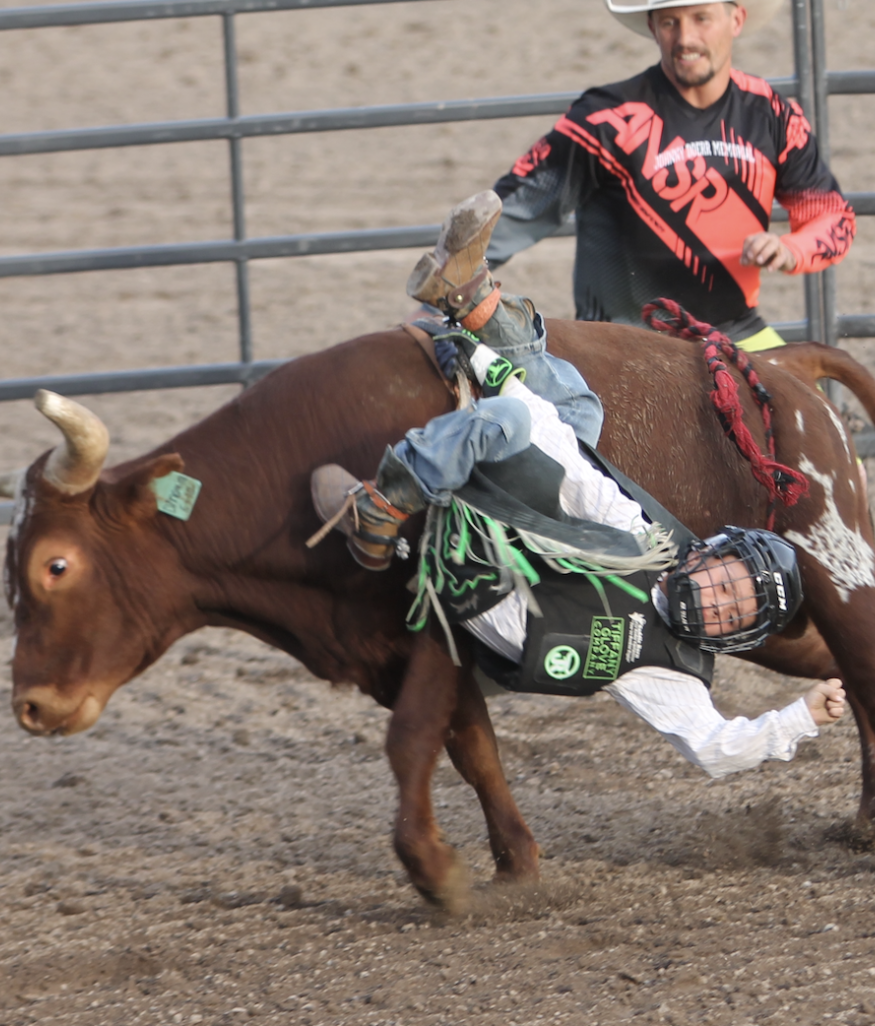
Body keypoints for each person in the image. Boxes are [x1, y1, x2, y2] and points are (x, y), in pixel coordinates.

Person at [310, 192, 846, 779]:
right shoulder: (649, 541)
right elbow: (578, 474)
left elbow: (716, 748)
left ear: (733, 637)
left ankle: (381, 510)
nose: (716, 601)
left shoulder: (671, 672)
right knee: (576, 413)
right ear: (713, 554)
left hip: (480, 577)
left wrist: (801, 717)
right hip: (536, 542)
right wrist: (504, 376)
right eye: (727, 584)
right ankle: (471, 300)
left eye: (731, 612)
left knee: (514, 420)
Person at [481, 0, 855, 351]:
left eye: (701, 18)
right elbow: (510, 214)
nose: (685, 38)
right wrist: (450, 288)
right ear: (652, 28)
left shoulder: (772, 114)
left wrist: (790, 248)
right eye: (670, 22)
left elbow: (833, 218)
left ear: (737, 20)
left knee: (809, 394)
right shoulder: (604, 120)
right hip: (622, 345)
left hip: (736, 331)